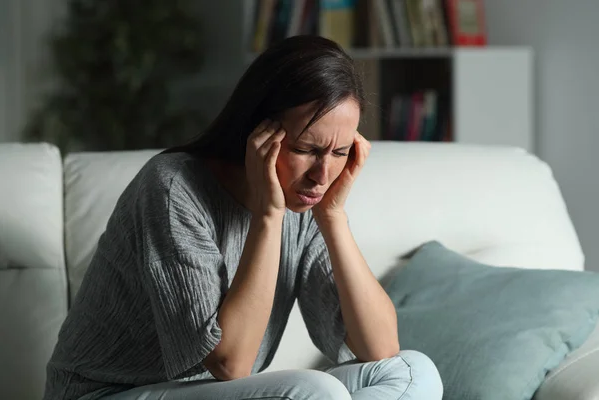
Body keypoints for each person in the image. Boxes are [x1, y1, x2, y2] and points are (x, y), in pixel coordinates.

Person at [42, 35, 443, 400]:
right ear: (259, 134)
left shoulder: (307, 202)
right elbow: (230, 364)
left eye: (339, 153)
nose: (322, 176)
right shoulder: (172, 189)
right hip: (107, 394)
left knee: (410, 372)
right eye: (306, 148)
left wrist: (333, 217)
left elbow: (380, 347)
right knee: (314, 390)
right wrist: (268, 215)